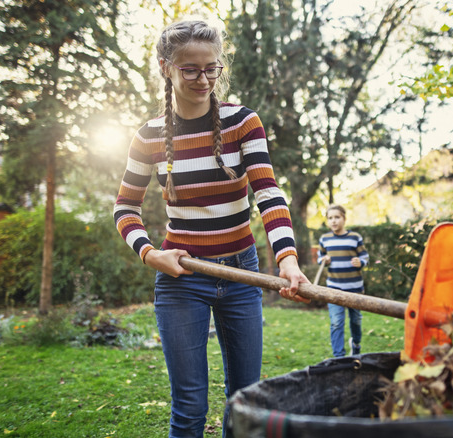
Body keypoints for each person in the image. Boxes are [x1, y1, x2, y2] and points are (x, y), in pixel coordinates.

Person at [112, 17, 309, 438]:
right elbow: (125, 208)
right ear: (166, 67)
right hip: (183, 276)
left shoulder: (243, 122)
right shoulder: (147, 136)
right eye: (191, 70)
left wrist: (287, 259)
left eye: (212, 68)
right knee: (189, 407)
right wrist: (150, 254)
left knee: (245, 401)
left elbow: (268, 193)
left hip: (242, 272)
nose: (204, 79)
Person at [317, 205, 369, 357]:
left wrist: (361, 262)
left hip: (355, 288)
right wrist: (324, 260)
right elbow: (320, 257)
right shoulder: (324, 239)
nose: (333, 221)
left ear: (344, 219)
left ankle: (356, 344)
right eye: (330, 218)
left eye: (337, 217)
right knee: (336, 322)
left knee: (356, 321)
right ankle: (339, 357)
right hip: (334, 288)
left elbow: (365, 256)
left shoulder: (355, 238)